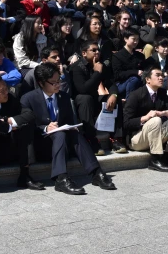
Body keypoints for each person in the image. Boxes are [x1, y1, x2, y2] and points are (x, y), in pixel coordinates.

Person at [20, 63, 115, 195]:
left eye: (59, 80)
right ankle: (61, 179)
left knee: (73, 134)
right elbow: (26, 126)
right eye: (53, 83)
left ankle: (96, 173)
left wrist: (71, 127)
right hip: (43, 146)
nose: (58, 85)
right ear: (41, 83)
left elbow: (69, 121)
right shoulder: (28, 99)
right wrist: (46, 128)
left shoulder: (63, 97)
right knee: (59, 135)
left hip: (64, 145)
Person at [123, 66, 168, 172]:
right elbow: (126, 123)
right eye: (157, 75)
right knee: (155, 120)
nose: (161, 78)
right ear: (147, 79)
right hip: (136, 139)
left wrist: (165, 112)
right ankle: (155, 160)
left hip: (154, 135)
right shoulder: (136, 95)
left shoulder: (161, 93)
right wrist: (145, 118)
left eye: (162, 75)